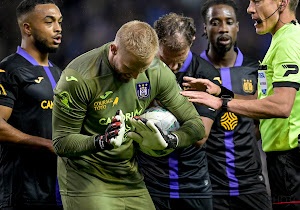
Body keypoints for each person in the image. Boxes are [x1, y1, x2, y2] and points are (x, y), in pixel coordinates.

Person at [52, 20, 206, 210]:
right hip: (85, 176)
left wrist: (169, 141)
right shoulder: (78, 78)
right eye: (129, 68)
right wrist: (102, 141)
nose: (134, 77)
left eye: (141, 70)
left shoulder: (157, 71)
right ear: (114, 49)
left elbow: (196, 127)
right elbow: (61, 142)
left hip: (128, 175)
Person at [181, 0, 300, 209]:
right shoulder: (281, 39)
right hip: (283, 162)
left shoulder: (287, 43)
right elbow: (265, 98)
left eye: (257, 0)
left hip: (291, 161)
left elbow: (281, 106)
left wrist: (221, 104)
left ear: (282, 3)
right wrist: (222, 92)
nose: (249, 9)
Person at [136, 12, 221, 210]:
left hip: (192, 184)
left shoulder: (206, 75)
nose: (173, 67)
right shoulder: (139, 71)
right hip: (150, 183)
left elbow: (200, 135)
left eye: (179, 60)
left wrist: (164, 99)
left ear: (192, 41)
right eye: (166, 60)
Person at [200, 0, 271, 210]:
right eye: (215, 22)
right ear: (205, 28)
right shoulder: (193, 72)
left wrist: (244, 136)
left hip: (251, 184)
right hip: (209, 187)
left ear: (237, 27)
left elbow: (265, 117)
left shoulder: (256, 70)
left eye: (229, 22)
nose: (223, 28)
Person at [0, 0, 63, 209]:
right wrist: (46, 144)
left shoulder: (59, 72)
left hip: (56, 191)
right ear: (27, 28)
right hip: (22, 192)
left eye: (59, 22)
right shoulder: (9, 70)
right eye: (49, 22)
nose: (57, 28)